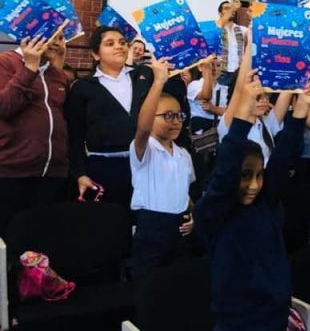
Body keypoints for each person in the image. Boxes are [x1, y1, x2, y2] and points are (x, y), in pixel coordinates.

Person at [194, 67, 310, 331]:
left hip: (275, 313)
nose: (253, 185)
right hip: (237, 320)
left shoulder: (265, 204)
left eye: (259, 175)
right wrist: (243, 119)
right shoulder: (213, 215)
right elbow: (227, 168)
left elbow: (282, 157)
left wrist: (301, 111)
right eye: (245, 176)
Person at [66, 26, 155, 208]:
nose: (119, 47)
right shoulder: (83, 87)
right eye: (110, 43)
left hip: (145, 163)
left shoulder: (143, 75)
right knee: (108, 222)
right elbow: (75, 135)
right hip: (102, 167)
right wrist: (80, 173)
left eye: (122, 43)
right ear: (95, 54)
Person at [129, 57, 195, 279]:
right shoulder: (145, 148)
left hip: (180, 226)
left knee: (177, 280)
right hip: (152, 225)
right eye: (167, 116)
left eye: (179, 116)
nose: (175, 121)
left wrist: (193, 215)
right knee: (149, 282)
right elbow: (143, 127)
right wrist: (158, 83)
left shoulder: (183, 154)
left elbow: (185, 192)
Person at [0, 33, 68, 238]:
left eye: (62, 38)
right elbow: (4, 107)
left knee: (45, 244)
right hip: (11, 174)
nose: (57, 43)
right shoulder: (5, 62)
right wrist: (29, 67)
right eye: (51, 36)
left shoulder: (58, 75)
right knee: (11, 247)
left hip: (53, 175)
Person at [216, 0, 246, 87]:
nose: (231, 10)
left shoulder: (242, 29)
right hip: (222, 73)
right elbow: (219, 24)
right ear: (220, 13)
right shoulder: (217, 28)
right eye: (226, 8)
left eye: (232, 8)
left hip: (238, 72)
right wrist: (232, 8)